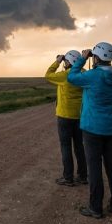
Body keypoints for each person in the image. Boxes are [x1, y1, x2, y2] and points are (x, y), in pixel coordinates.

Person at [67, 42, 112, 219]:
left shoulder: (94, 76)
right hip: (111, 128)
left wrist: (82, 59)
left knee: (94, 168)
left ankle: (95, 207)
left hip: (93, 128)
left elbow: (72, 78)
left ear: (97, 57)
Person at [45, 50, 88, 187]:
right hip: (80, 115)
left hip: (64, 115)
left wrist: (57, 61)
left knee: (66, 146)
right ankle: (82, 176)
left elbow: (48, 75)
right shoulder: (84, 73)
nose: (65, 63)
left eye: (66, 61)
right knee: (79, 146)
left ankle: (68, 177)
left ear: (69, 61)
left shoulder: (66, 75)